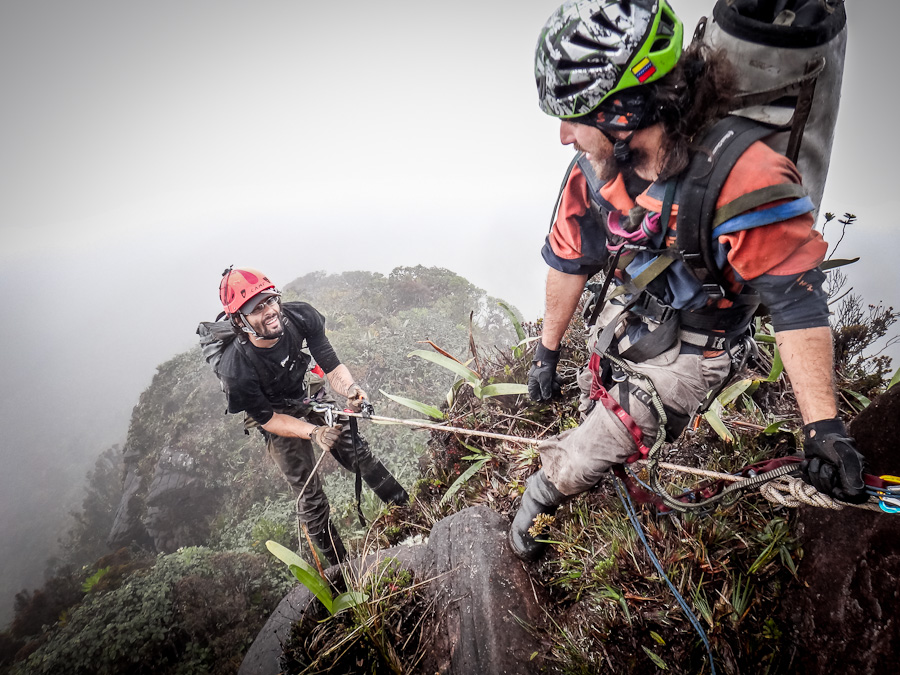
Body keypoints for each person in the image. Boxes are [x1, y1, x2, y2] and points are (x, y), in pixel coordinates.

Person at [509, 0, 867, 562]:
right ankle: (605, 455)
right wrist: (546, 355)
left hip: (701, 346)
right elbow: (569, 257)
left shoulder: (742, 178)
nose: (563, 135)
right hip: (640, 312)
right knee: (596, 391)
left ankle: (537, 505)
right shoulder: (597, 168)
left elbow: (796, 306)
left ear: (625, 112)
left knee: (593, 445)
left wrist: (824, 428)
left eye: (577, 116)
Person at [215, 267, 408, 565]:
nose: (269, 311)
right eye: (257, 308)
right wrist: (314, 433)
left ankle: (405, 510)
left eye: (270, 300)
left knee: (358, 453)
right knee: (311, 498)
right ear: (240, 321)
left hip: (307, 393)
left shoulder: (300, 317)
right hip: (277, 415)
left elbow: (331, 367)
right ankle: (341, 572)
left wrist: (352, 390)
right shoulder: (236, 369)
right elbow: (267, 420)